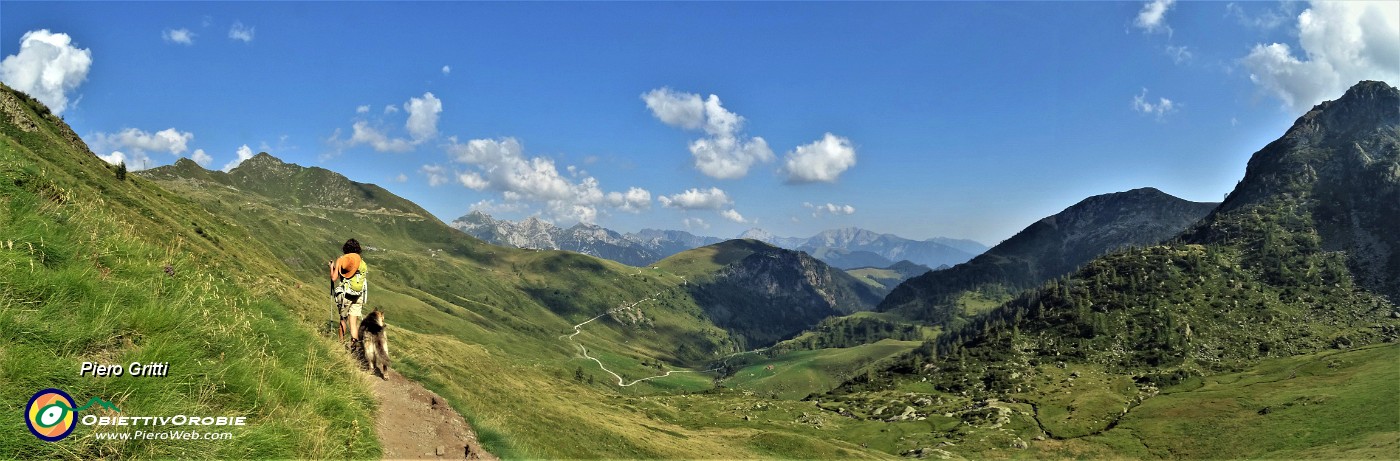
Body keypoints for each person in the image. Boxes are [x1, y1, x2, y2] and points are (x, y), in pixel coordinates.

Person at [330, 239, 369, 353]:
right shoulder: (362, 262)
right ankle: (353, 346)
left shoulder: (342, 260)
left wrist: (332, 267)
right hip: (358, 294)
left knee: (343, 320)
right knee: (353, 323)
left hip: (346, 294)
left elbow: (333, 278)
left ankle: (340, 344)